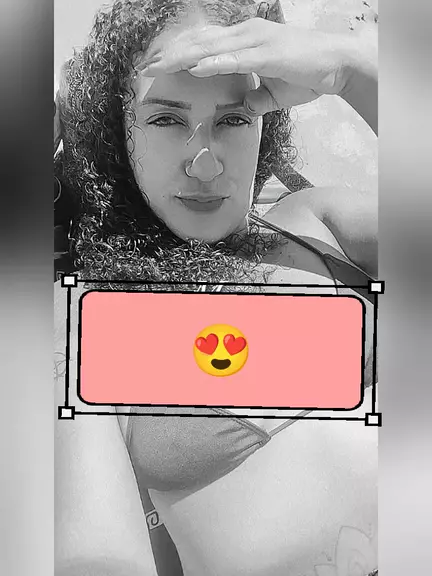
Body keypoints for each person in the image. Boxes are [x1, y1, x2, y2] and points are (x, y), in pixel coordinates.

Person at [54, 1, 378, 575]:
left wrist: (356, 71)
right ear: (118, 132)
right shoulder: (92, 318)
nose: (205, 167)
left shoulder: (317, 220)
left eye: (234, 120)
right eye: (165, 120)